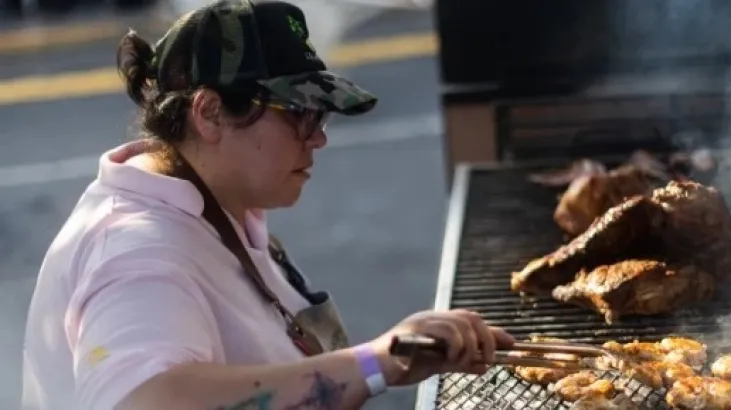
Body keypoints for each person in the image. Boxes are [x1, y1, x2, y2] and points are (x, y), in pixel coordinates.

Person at [19, 1, 514, 409]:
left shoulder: (216, 206)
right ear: (209, 113)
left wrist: (392, 360)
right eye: (299, 113)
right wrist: (374, 362)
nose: (318, 137)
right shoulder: (134, 251)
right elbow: (141, 400)